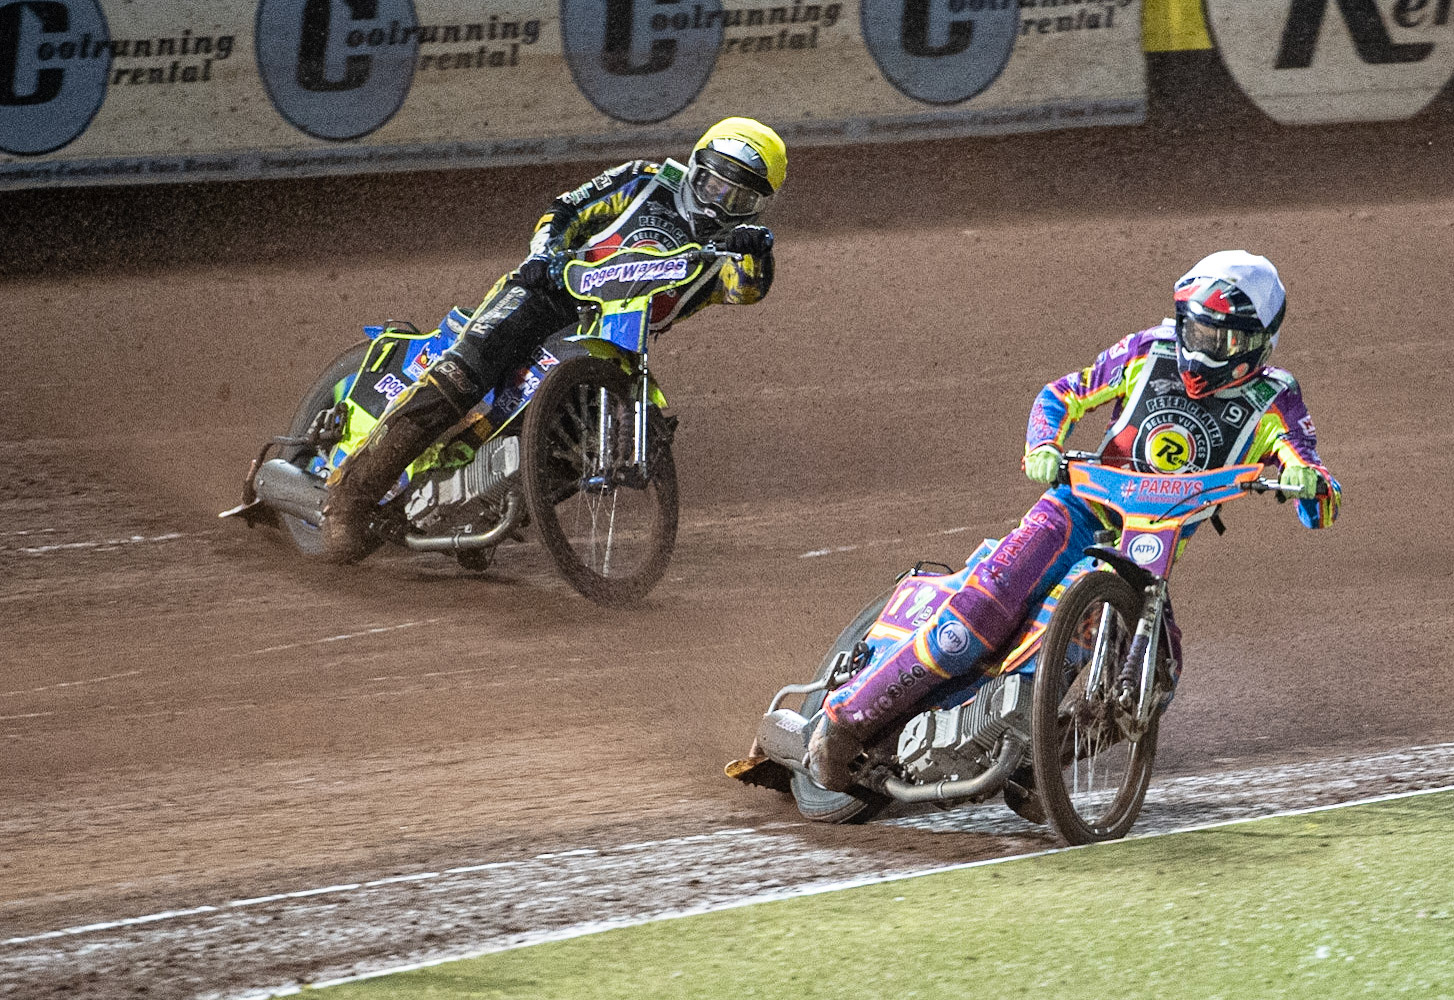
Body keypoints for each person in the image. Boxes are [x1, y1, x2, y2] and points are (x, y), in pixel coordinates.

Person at [805, 250, 1342, 791]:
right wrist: (1043, 443)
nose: (1203, 351)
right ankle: (843, 723)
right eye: (1197, 332)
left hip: (1144, 549)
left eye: (1220, 340)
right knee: (982, 612)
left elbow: (1312, 474)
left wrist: (1310, 485)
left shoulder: (1274, 397)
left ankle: (1035, 769)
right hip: (1076, 510)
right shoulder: (1148, 350)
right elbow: (1063, 393)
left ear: (1258, 343)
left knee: (1160, 673)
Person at [320, 117, 787, 563]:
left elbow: (747, 289)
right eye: (714, 185)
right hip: (546, 294)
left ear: (757, 208)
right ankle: (350, 496)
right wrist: (543, 255)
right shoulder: (645, 180)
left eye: (739, 199)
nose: (719, 203)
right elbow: (566, 208)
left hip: (609, 338)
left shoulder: (731, 251)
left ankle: (489, 510)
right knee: (467, 372)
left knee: (585, 441)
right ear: (695, 167)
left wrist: (754, 250)